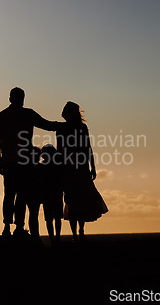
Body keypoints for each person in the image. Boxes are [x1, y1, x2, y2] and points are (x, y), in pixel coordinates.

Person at [0, 87, 59, 237]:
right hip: (23, 163)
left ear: (10, 98)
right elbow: (47, 125)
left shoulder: (2, 116)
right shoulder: (27, 114)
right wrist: (64, 125)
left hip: (10, 161)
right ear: (22, 99)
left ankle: (8, 227)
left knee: (10, 195)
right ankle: (17, 227)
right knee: (20, 196)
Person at [56, 102, 108, 242]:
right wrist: (93, 167)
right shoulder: (78, 127)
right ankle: (78, 233)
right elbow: (86, 148)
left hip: (75, 168)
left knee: (76, 200)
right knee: (75, 200)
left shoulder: (73, 128)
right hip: (74, 168)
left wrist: (93, 167)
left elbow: (86, 148)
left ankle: (78, 232)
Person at [40, 144, 63, 245]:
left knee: (51, 219)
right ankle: (55, 239)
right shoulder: (58, 165)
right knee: (54, 218)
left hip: (49, 194)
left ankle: (54, 239)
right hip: (53, 193)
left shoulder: (42, 166)